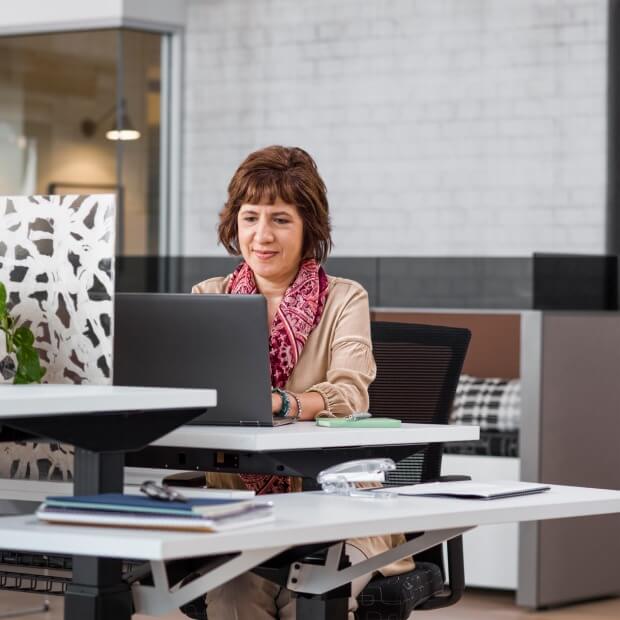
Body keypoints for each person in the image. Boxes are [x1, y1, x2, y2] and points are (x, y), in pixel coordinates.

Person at [192, 145, 412, 619]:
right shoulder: (207, 297)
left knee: (310, 598)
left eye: (281, 219)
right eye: (249, 217)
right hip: (240, 511)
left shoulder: (343, 298)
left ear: (309, 227)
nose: (261, 235)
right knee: (231, 602)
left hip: (337, 510)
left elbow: (351, 394)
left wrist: (281, 404)